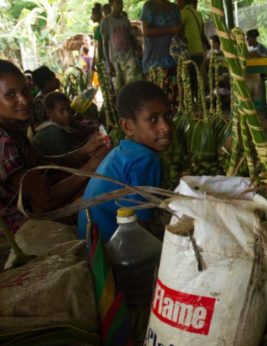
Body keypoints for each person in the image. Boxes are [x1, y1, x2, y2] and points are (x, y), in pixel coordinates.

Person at [0, 60, 107, 233]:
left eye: (25, 91)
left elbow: (44, 163)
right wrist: (92, 166)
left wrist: (86, 151)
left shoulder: (13, 129)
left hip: (39, 208)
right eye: (10, 94)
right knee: (100, 201)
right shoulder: (5, 144)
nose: (24, 100)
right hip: (26, 227)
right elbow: (47, 199)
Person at [77, 81, 172, 242]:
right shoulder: (145, 159)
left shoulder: (125, 150)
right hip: (108, 248)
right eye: (153, 119)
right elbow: (138, 227)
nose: (166, 127)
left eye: (167, 116)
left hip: (89, 239)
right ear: (127, 126)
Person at [32, 92, 97, 156]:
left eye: (68, 109)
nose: (67, 114)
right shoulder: (53, 131)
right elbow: (69, 159)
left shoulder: (61, 125)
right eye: (61, 111)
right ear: (50, 113)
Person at [101, 0, 142, 91]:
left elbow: (131, 37)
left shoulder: (125, 21)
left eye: (121, 3)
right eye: (118, 3)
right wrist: (108, 63)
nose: (121, 6)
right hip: (115, 59)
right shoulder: (106, 22)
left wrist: (137, 50)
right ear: (111, 4)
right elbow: (105, 43)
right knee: (118, 87)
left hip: (129, 56)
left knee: (132, 85)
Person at [140, 0, 181, 74]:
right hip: (153, 62)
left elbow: (179, 31)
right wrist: (169, 30)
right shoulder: (149, 6)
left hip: (173, 60)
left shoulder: (174, 8)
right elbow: (145, 31)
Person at [177, 0, 209, 68]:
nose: (177, 4)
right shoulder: (198, 14)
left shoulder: (184, 13)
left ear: (183, 1)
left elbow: (176, 30)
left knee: (188, 77)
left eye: (178, 1)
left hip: (190, 52)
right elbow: (202, 35)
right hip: (200, 52)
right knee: (195, 77)